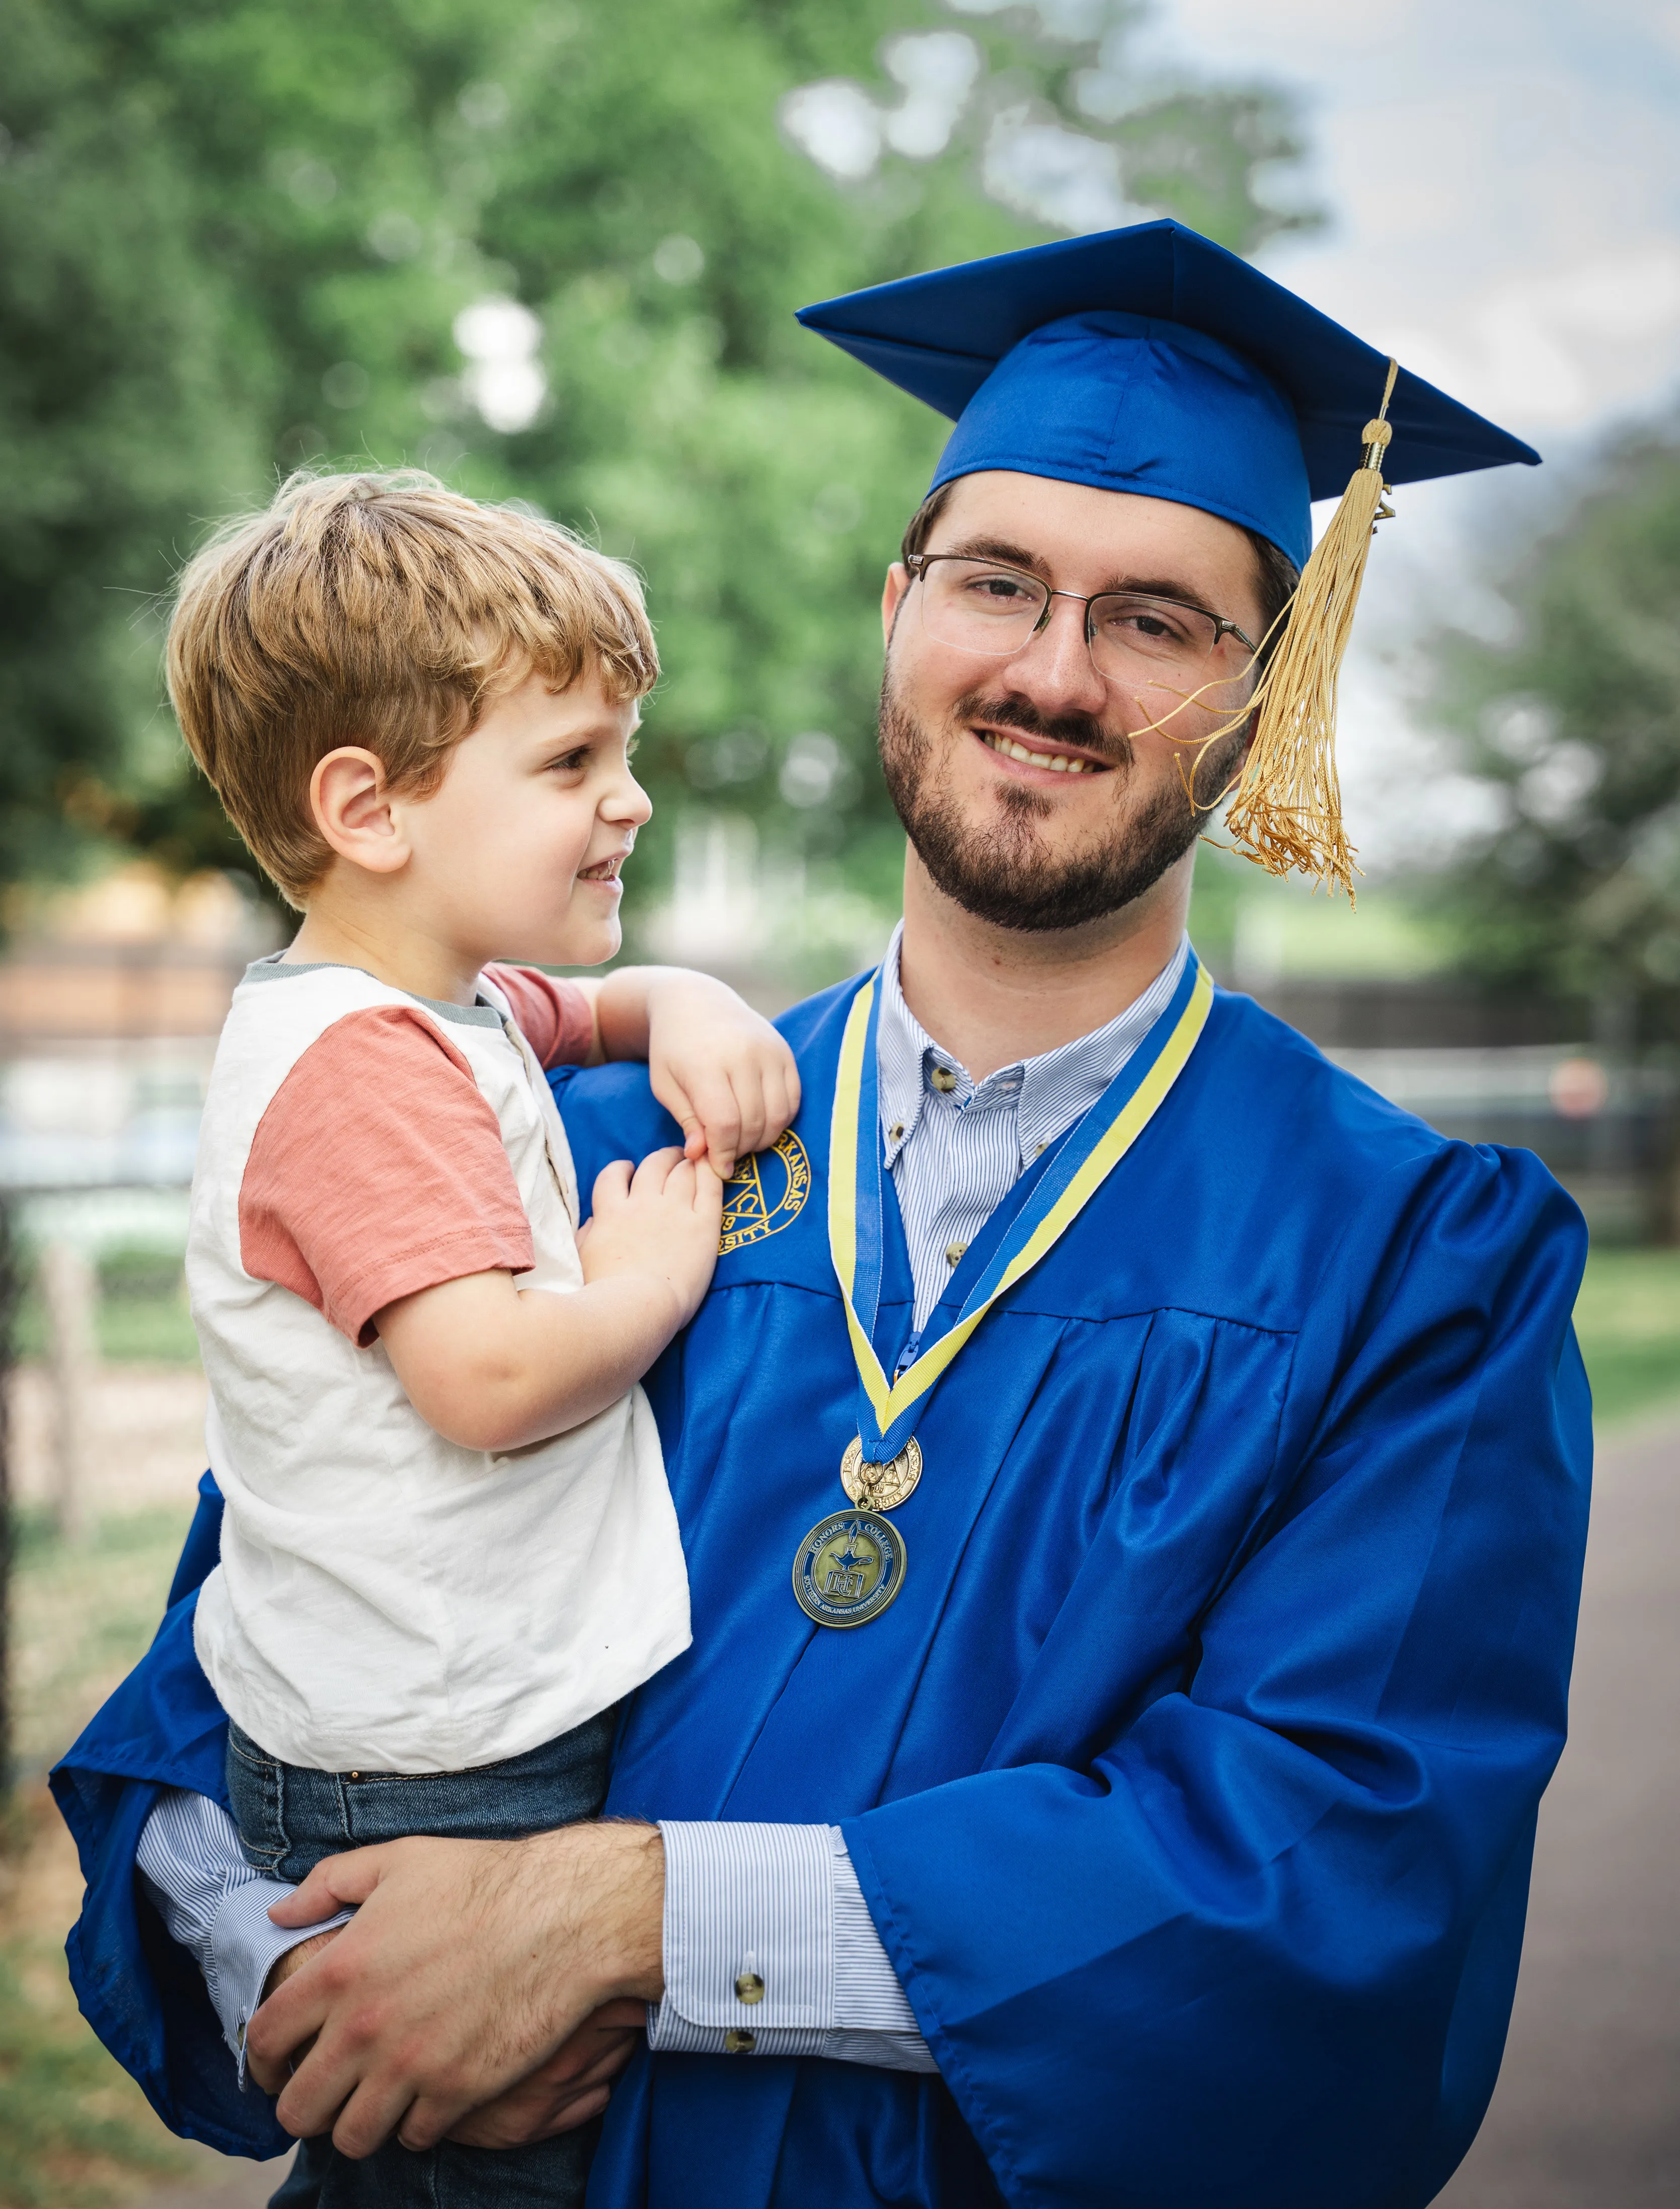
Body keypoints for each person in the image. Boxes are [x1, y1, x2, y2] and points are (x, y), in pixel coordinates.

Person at [56, 221, 1592, 2209]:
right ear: (896, 611)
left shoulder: (1411, 1261)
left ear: (1267, 687)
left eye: (1155, 618)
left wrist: (641, 1919)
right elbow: (239, 1645)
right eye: (998, 584)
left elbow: (1335, 1857)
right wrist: (314, 1969)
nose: (1050, 669)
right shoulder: (548, 1121)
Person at [104, 471, 799, 2204]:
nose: (629, 799)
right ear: (371, 808)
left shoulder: (443, 998)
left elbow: (592, 1003)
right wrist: (649, 1273)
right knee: (481, 2156)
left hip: (454, 1719)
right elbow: (483, 1380)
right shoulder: (353, 1071)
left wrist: (687, 1000)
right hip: (430, 1773)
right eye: (572, 763)